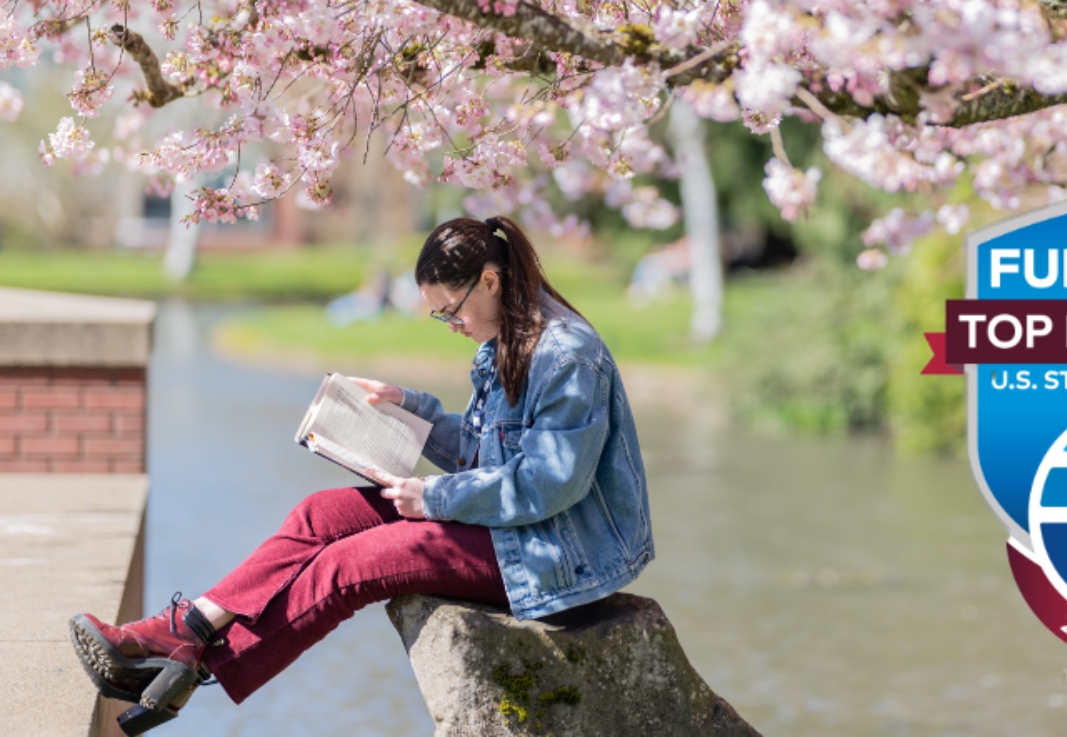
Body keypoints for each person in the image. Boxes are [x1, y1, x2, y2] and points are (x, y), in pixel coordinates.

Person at [68, 215, 655, 735]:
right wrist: (413, 411)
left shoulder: (566, 356)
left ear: (491, 281)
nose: (449, 324)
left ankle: (198, 666)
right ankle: (186, 629)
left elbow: (549, 486)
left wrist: (432, 497)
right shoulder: (507, 336)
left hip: (552, 551)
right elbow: (486, 455)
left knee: (350, 565)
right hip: (512, 528)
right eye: (438, 316)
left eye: (450, 310)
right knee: (321, 514)